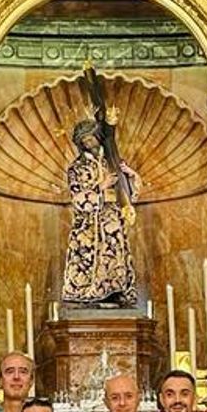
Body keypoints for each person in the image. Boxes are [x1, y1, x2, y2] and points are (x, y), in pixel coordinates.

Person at [61, 118, 140, 306]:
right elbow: (77, 197)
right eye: (84, 141)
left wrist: (131, 175)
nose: (88, 144)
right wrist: (100, 186)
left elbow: (128, 194)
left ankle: (115, 292)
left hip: (111, 218)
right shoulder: (76, 168)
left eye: (91, 139)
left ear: (98, 137)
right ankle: (88, 293)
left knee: (114, 253)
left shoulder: (112, 160)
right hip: (88, 224)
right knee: (88, 255)